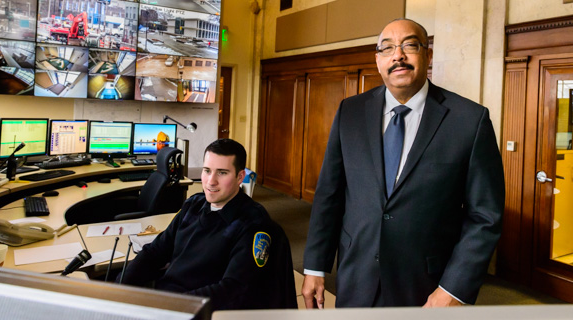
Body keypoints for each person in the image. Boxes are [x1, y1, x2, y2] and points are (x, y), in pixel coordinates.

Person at [301, 18, 505, 308]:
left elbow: (485, 217)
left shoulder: (469, 120)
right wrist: (315, 267)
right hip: (356, 276)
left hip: (426, 286)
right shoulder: (351, 112)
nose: (398, 55)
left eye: (410, 45)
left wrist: (454, 289)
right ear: (377, 60)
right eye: (387, 48)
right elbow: (329, 196)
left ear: (428, 55)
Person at [121, 138, 297, 310]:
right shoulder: (193, 205)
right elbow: (155, 251)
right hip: (168, 300)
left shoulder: (253, 224)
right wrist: (120, 287)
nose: (211, 181)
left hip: (196, 311)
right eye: (207, 170)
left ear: (239, 177)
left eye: (222, 172)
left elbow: (233, 290)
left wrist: (171, 305)